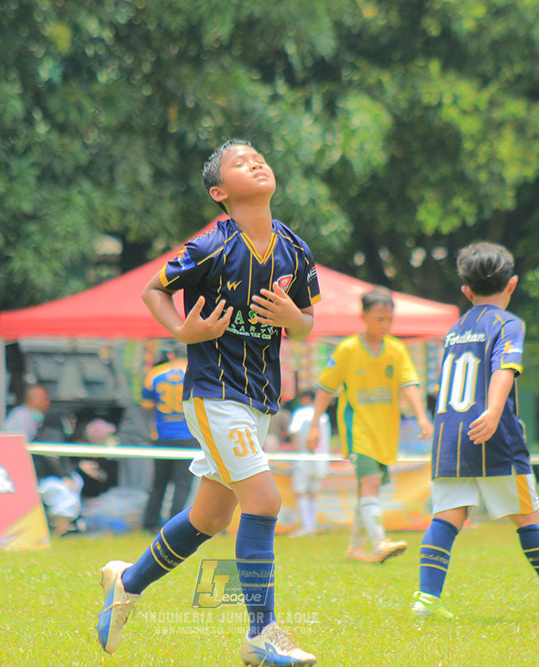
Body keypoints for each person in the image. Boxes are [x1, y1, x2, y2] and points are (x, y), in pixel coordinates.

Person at [96, 139, 320, 666]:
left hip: (260, 399)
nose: (256, 162)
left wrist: (293, 319)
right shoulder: (211, 246)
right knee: (264, 501)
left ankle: (125, 584)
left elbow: (307, 326)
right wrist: (183, 329)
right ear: (220, 192)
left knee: (209, 518)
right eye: (240, 163)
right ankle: (261, 636)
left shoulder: (295, 249)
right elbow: (154, 289)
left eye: (259, 156)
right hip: (215, 395)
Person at [412, 242, 539, 621]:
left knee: (446, 518)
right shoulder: (508, 323)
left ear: (466, 291)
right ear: (512, 284)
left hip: (449, 436)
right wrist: (496, 410)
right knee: (529, 518)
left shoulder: (455, 329)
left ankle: (426, 601)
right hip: (491, 435)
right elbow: (505, 367)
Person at [307, 287, 433, 563]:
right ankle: (379, 543)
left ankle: (354, 549)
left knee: (369, 490)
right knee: (371, 482)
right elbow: (325, 388)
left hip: (386, 433)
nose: (385, 325)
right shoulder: (347, 349)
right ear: (363, 317)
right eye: (379, 319)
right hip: (358, 430)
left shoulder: (397, 350)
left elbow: (408, 385)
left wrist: (422, 416)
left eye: (389, 319)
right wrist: (315, 424)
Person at [4, 384, 85, 536]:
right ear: (33, 399)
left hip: (38, 472)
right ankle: (61, 529)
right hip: (27, 472)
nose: (47, 402)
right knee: (60, 491)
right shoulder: (21, 417)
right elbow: (18, 447)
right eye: (44, 398)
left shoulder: (39, 421)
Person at [140, 343, 197, 532]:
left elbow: (147, 406)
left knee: (159, 481)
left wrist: (152, 430)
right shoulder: (197, 371)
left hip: (162, 435)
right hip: (189, 434)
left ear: (171, 354)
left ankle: (149, 522)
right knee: (183, 483)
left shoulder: (155, 374)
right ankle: (173, 525)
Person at [286, 388, 331, 538]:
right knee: (313, 492)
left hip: (303, 458)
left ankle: (307, 526)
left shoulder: (300, 413)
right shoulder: (323, 415)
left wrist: (295, 454)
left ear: (305, 398)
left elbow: (294, 433)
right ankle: (312, 525)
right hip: (321, 459)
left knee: (301, 491)